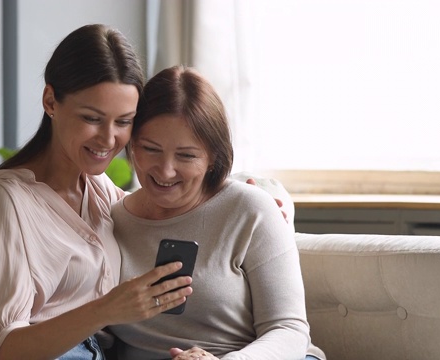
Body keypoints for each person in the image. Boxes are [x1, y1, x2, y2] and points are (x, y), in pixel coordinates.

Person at [0, 24, 194, 360]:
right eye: (92, 118)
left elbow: (169, 209)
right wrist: (105, 310)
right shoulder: (8, 202)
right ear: (50, 101)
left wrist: (252, 203)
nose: (108, 139)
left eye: (123, 121)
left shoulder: (101, 191)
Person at [108, 65, 326, 360]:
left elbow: (289, 329)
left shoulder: (251, 210)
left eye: (186, 155)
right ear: (131, 144)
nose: (165, 170)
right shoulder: (110, 221)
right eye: (150, 149)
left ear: (212, 157)